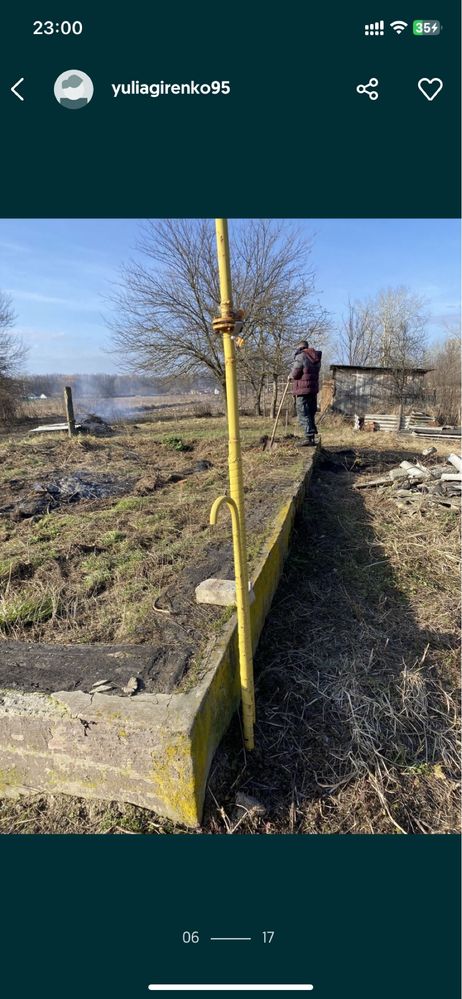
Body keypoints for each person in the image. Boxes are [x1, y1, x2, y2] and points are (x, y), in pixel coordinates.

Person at [290, 339, 322, 445]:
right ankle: (311, 438)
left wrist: (290, 376)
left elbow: (295, 373)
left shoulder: (301, 356)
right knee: (310, 412)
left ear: (300, 347)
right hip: (312, 390)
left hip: (302, 390)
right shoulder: (316, 358)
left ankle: (308, 438)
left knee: (303, 412)